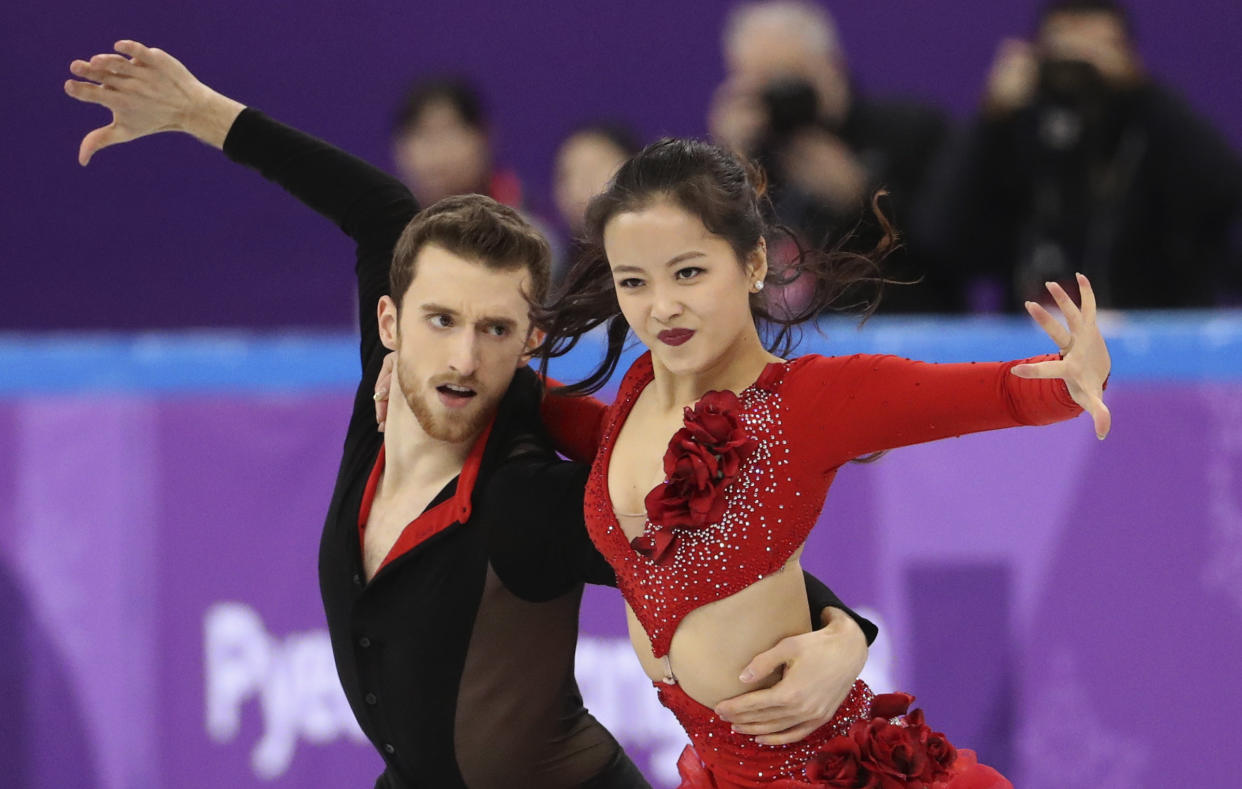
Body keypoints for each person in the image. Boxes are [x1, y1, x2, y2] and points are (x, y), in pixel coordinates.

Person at [64, 41, 878, 788]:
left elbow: (714, 536)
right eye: (441, 321)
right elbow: (378, 207)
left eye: (495, 330)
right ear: (389, 326)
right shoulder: (382, 401)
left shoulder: (526, 503)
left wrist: (842, 630)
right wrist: (193, 111)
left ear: (529, 342)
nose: (462, 358)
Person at [533, 136, 1112, 787]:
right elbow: (567, 421)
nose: (661, 305)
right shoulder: (637, 389)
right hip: (723, 772)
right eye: (633, 281)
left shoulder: (802, 403)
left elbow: (997, 391)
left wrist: (1070, 381)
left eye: (688, 272)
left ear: (753, 262)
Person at [916, 0, 1242, 311]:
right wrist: (991, 119)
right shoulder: (1016, 132)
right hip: (1036, 342)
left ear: (1126, 55)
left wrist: (1145, 92)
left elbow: (1225, 193)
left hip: (1151, 334)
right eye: (1066, 54)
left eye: (1097, 51)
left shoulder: (1153, 127)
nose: (1081, 67)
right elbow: (941, 236)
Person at [709, 0, 957, 313]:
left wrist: (863, 198)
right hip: (783, 341)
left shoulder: (911, 131)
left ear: (831, 65)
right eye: (762, 84)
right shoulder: (746, 153)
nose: (780, 97)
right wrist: (729, 165)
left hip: (898, 327)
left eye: (789, 79)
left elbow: (949, 246)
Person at [391, 76, 525, 208]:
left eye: (449, 131)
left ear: (483, 137)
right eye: (422, 134)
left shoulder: (522, 223)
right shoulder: (383, 223)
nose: (437, 153)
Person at [552, 122, 642, 281]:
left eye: (592, 171)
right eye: (566, 176)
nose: (576, 188)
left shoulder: (661, 252)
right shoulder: (557, 278)